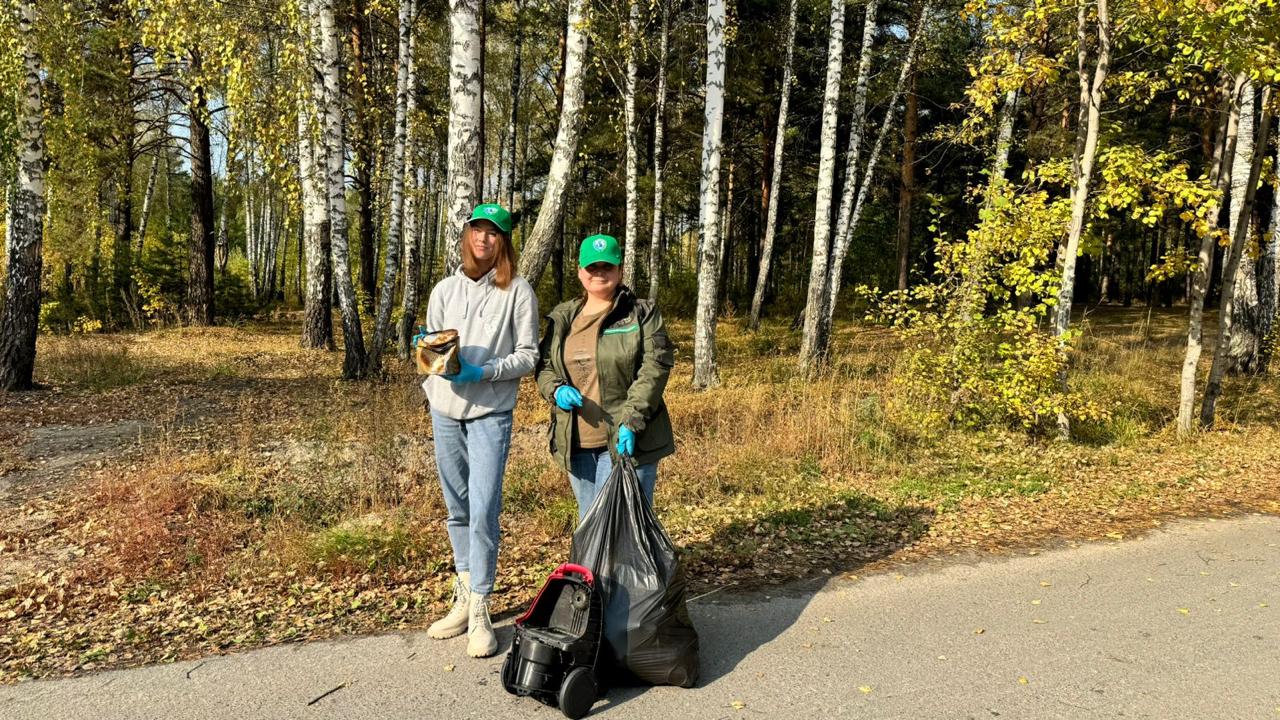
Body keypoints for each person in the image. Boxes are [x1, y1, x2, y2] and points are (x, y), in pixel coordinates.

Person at [419, 203, 538, 658]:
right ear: (467, 235)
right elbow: (435, 347)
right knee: (458, 508)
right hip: (445, 410)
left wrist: (484, 371)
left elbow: (528, 355)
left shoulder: (518, 291)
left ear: (503, 241)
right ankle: (465, 595)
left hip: (491, 411)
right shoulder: (445, 289)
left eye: (493, 232)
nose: (483, 239)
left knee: (484, 507)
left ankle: (483, 605)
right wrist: (427, 350)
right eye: (477, 230)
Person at [536, 233, 675, 521]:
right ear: (580, 272)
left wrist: (632, 420)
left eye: (607, 266)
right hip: (577, 444)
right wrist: (556, 389)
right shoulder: (563, 317)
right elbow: (544, 365)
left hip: (628, 438)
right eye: (592, 267)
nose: (599, 273)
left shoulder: (641, 314)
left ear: (620, 270)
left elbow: (655, 366)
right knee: (590, 524)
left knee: (624, 525)